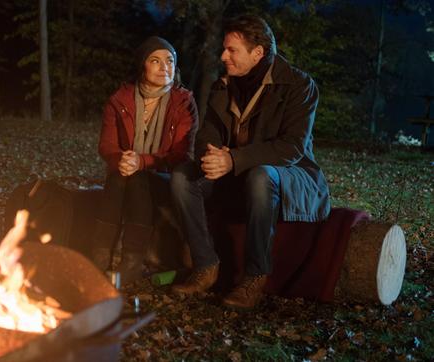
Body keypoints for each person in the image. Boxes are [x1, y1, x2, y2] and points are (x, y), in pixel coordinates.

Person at [170, 15, 330, 308]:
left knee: (261, 175)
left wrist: (233, 159)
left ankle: (255, 276)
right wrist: (214, 156)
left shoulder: (298, 85)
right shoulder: (224, 86)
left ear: (257, 53)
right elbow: (207, 133)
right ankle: (205, 265)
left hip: (291, 176)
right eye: (224, 49)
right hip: (236, 172)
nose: (223, 56)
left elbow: (292, 148)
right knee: (182, 176)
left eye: (232, 50)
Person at [90, 36, 198, 286]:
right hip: (127, 171)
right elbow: (107, 145)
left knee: (137, 178)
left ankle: (131, 262)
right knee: (118, 178)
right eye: (156, 61)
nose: (165, 67)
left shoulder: (183, 102)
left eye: (170, 61)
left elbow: (182, 153)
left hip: (166, 175)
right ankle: (99, 257)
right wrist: (122, 159)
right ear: (142, 66)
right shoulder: (120, 99)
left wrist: (143, 161)